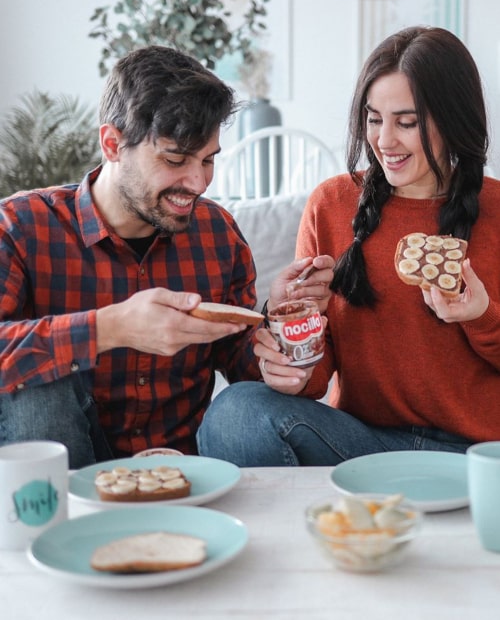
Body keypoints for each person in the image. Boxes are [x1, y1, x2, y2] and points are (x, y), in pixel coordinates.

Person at [0, 45, 333, 468]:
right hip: (73, 475)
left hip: (187, 470)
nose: (197, 182)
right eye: (175, 159)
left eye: (208, 160)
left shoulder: (218, 233)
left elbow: (240, 363)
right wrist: (109, 328)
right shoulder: (21, 226)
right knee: (37, 384)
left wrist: (276, 322)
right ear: (112, 144)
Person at [197, 26, 500, 466]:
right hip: (362, 446)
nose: (384, 140)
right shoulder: (332, 204)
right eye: (374, 119)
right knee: (235, 412)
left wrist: (481, 317)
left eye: (407, 122)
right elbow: (318, 377)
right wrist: (291, 360)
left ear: (453, 119)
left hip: (478, 455)